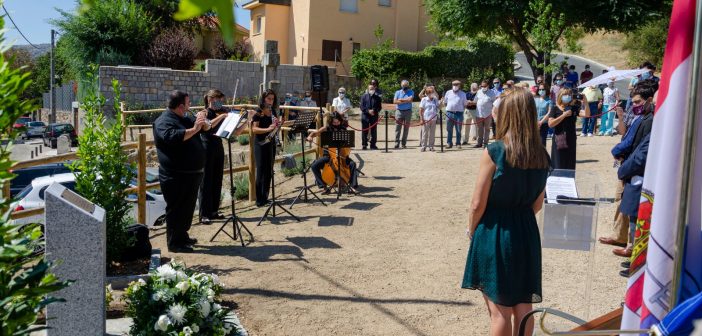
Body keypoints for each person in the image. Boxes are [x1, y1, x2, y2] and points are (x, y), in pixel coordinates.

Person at [463, 89, 550, 336]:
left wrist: (472, 229)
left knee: (499, 310)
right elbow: (537, 204)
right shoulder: (541, 154)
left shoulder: (496, 151)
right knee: (524, 305)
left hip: (495, 230)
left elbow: (477, 203)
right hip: (526, 230)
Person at [153, 90, 209, 253]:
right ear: (180, 106)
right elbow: (173, 137)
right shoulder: (163, 121)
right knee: (176, 209)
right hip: (175, 175)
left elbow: (204, 128)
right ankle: (174, 243)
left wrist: (203, 123)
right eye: (188, 103)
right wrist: (195, 128)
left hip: (191, 173)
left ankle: (182, 236)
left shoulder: (184, 117)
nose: (190, 106)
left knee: (187, 208)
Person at [616, 133, 650, 277]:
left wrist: (623, 170)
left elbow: (641, 158)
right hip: (635, 181)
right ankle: (636, 260)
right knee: (633, 224)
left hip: (640, 181)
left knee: (638, 227)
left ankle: (638, 264)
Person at [198, 89, 230, 225]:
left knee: (217, 179)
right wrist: (222, 117)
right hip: (206, 147)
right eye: (219, 100)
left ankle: (214, 211)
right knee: (206, 181)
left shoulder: (221, 111)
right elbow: (207, 126)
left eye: (221, 100)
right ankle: (204, 214)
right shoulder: (203, 112)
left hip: (218, 146)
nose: (221, 103)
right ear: (211, 99)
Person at [307, 112, 358, 193]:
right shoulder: (326, 128)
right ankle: (323, 186)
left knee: (352, 164)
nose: (336, 124)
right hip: (328, 155)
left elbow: (347, 146)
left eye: (338, 122)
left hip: (341, 155)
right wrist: (310, 136)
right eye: (334, 122)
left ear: (340, 121)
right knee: (314, 166)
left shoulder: (343, 129)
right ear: (331, 122)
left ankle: (352, 186)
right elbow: (315, 133)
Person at [548, 88, 591, 169]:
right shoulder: (555, 108)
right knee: (558, 162)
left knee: (570, 162)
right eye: (565, 95)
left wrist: (585, 103)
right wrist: (563, 115)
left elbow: (587, 114)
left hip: (571, 138)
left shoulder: (573, 108)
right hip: (559, 138)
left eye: (569, 95)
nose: (567, 96)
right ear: (560, 96)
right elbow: (550, 124)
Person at [251, 89, 280, 207]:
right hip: (260, 144)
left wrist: (278, 125)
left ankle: (266, 197)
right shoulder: (259, 111)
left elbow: (275, 127)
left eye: (272, 99)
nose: (271, 101)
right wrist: (268, 129)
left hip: (270, 142)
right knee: (261, 171)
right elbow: (254, 129)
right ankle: (259, 200)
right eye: (268, 99)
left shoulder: (272, 110)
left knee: (269, 170)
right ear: (263, 99)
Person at [443, 80, 469, 149]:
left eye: (456, 85)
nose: (455, 86)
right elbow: (445, 103)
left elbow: (465, 104)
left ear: (459, 86)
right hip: (449, 113)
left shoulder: (463, 94)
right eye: (454, 84)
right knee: (449, 129)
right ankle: (449, 143)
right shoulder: (448, 92)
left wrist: (459, 109)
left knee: (458, 129)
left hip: (459, 114)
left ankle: (458, 143)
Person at [474, 80, 496, 148]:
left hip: (488, 114)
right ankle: (479, 143)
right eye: (482, 86)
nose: (483, 87)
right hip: (479, 114)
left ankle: (485, 143)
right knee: (479, 129)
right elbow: (475, 101)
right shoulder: (478, 92)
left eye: (484, 86)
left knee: (487, 129)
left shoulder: (492, 93)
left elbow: (494, 103)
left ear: (488, 86)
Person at [393, 80, 414, 149]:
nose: (404, 86)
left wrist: (401, 100)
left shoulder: (411, 91)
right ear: (401, 85)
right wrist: (405, 100)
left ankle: (403, 143)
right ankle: (396, 143)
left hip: (408, 112)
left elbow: (410, 100)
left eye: (405, 85)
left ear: (408, 85)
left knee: (406, 128)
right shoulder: (397, 92)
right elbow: (395, 101)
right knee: (397, 128)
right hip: (399, 111)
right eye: (403, 85)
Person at [360, 84, 381, 150]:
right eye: (370, 89)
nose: (371, 90)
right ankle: (364, 144)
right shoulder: (364, 96)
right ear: (368, 89)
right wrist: (368, 111)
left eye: (372, 89)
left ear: (374, 89)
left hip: (374, 116)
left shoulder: (378, 97)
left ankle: (373, 144)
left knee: (374, 131)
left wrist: (374, 111)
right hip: (365, 116)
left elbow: (379, 107)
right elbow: (361, 107)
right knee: (364, 131)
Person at [420, 85, 440, 152]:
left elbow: (438, 107)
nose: (432, 93)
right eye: (431, 92)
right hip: (426, 119)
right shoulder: (424, 99)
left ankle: (431, 146)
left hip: (433, 119)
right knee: (425, 133)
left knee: (432, 133)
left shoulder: (435, 99)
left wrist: (442, 102)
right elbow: (421, 110)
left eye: (432, 92)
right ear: (427, 93)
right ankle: (423, 146)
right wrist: (421, 119)